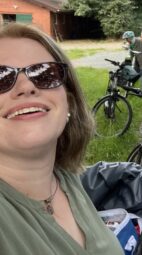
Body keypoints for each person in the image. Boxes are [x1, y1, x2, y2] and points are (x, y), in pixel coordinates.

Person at [0, 23, 123, 254]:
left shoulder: (67, 180)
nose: (26, 87)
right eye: (1, 77)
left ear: (69, 101)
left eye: (44, 74)